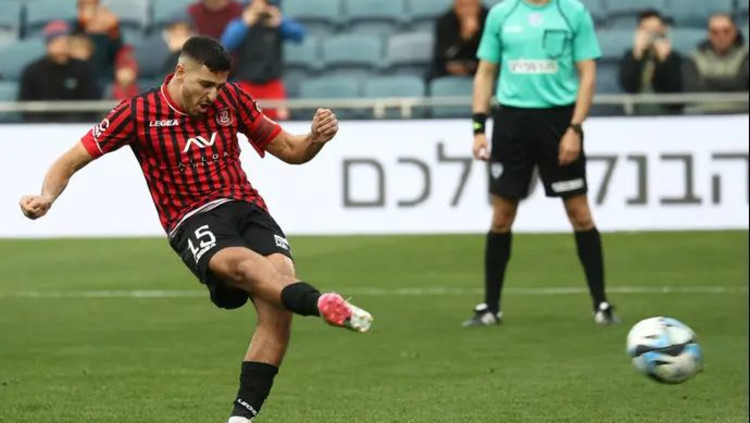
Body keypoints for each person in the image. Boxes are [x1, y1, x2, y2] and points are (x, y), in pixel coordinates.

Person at [19, 36, 373, 423]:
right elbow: (70, 160)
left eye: (219, 86)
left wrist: (315, 139)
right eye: (205, 85)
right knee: (247, 268)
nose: (213, 95)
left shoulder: (232, 100)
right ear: (180, 72)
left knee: (278, 297)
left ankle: (240, 419)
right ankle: (321, 303)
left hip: (247, 207)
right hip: (193, 217)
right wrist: (47, 196)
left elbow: (291, 150)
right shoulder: (137, 113)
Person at [466, 0, 617, 327]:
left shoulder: (572, 12)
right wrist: (478, 128)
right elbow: (485, 72)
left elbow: (588, 74)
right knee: (502, 216)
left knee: (580, 213)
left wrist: (575, 128)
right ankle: (491, 307)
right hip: (511, 124)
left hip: (558, 122)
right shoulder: (502, 14)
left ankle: (602, 304)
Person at [221, 0, 305, 121]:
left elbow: (299, 36)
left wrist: (280, 22)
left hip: (272, 84)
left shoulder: (276, 23)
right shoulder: (241, 24)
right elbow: (227, 44)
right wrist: (245, 23)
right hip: (246, 84)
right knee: (245, 121)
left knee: (278, 122)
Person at [19, 20, 101, 123]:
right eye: (57, 42)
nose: (62, 46)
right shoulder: (32, 72)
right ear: (48, 44)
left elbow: (92, 104)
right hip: (40, 127)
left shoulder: (84, 69)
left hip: (76, 125)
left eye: (66, 42)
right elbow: (26, 107)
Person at [618, 10, 683, 115]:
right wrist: (636, 55)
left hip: (668, 116)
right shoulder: (630, 56)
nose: (652, 35)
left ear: (664, 30)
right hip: (636, 116)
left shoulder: (674, 58)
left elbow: (675, 89)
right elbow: (627, 86)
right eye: (647, 30)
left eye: (655, 30)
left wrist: (665, 60)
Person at [683, 13, 749, 113]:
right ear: (708, 34)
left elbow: (742, 84)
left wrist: (706, 80)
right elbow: (691, 90)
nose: (721, 36)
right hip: (702, 115)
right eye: (715, 32)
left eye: (726, 31)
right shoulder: (694, 58)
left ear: (735, 32)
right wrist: (731, 83)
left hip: (741, 114)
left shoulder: (746, 55)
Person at [431, 0, 489, 78]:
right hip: (450, 70)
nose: (467, 10)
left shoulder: (489, 19)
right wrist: (464, 37)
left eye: (471, 5)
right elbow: (443, 56)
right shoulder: (445, 21)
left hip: (483, 69)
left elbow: (491, 53)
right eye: (462, 6)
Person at [74, 0, 124, 80]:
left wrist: (112, 29)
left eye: (93, 7)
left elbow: (115, 54)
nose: (89, 11)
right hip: (81, 78)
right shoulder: (76, 30)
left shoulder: (111, 29)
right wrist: (83, 27)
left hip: (104, 76)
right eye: (83, 7)